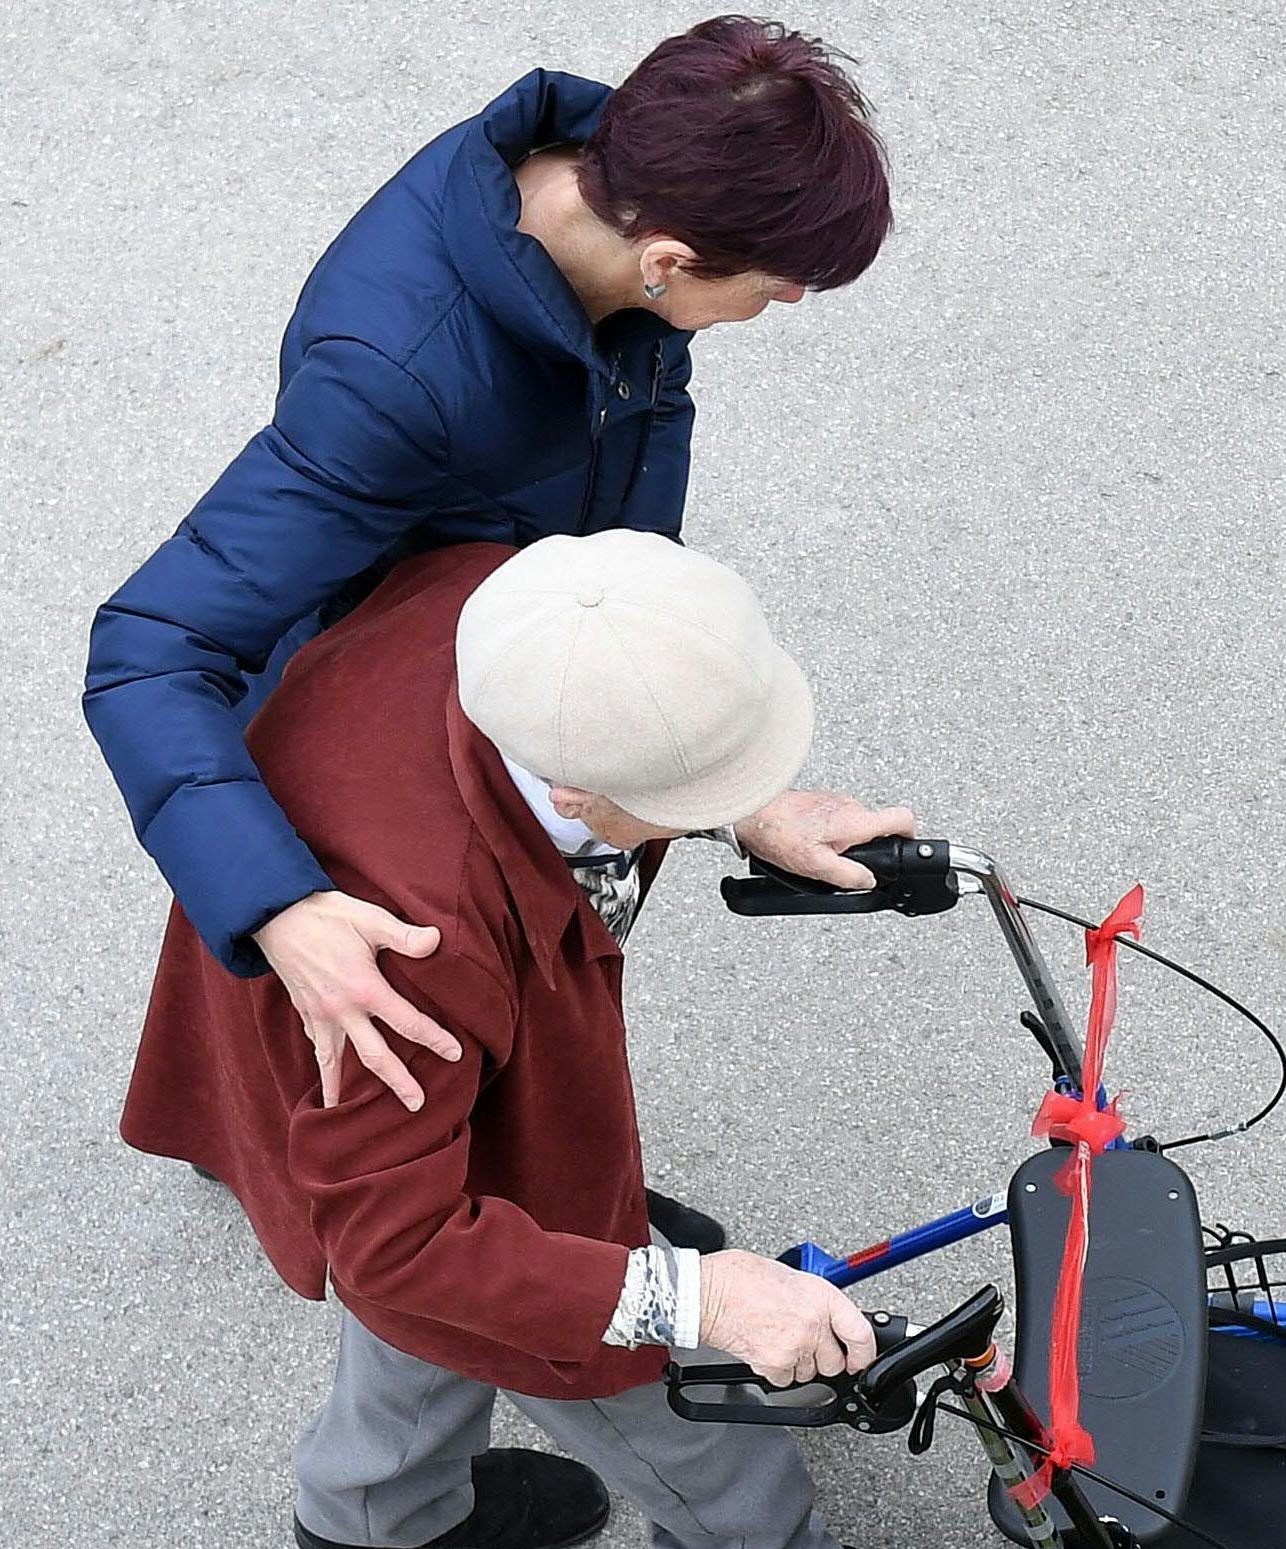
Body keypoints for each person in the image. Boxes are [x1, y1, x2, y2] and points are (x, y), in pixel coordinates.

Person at [84, 19, 905, 1224]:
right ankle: (505, 1243)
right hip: (408, 691)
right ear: (667, 259)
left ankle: (500, 1189)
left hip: (528, 647)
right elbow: (147, 651)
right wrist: (280, 906)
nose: (782, 301)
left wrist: (718, 776)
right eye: (773, 287)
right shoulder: (398, 380)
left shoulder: (596, 191)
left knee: (517, 955)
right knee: (421, 975)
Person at [119, 530, 981, 1549]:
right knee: (647, 1382)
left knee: (436, 1279)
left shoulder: (510, 608)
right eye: (690, 796)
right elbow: (399, 1243)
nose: (713, 809)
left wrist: (743, 802)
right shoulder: (421, 943)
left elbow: (385, 1213)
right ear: (577, 785)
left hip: (363, 1090)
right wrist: (693, 1300)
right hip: (391, 1072)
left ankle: (376, 1504)